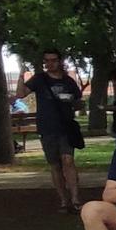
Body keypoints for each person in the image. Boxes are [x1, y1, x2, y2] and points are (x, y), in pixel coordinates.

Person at [19, 48, 85, 211]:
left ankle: (75, 198)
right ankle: (64, 200)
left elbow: (78, 101)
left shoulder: (68, 81)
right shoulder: (39, 79)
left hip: (65, 126)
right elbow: (21, 94)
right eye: (47, 61)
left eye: (53, 60)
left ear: (60, 61)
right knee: (55, 164)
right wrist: (21, 75)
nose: (50, 64)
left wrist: (70, 101)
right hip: (47, 127)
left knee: (68, 161)